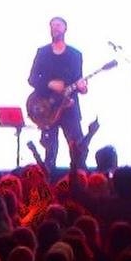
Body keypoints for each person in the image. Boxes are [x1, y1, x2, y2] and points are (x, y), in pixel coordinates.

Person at [28, 16, 88, 171]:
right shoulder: (42, 52)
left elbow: (78, 80)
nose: (55, 28)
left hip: (69, 108)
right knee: (50, 153)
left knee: (78, 151)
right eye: (52, 25)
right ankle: (48, 185)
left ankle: (80, 183)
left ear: (65, 29)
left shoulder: (75, 54)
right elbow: (32, 78)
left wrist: (83, 89)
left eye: (58, 25)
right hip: (48, 109)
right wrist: (49, 84)